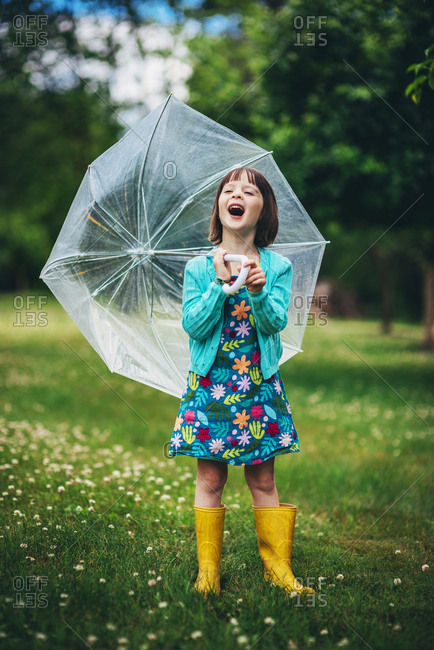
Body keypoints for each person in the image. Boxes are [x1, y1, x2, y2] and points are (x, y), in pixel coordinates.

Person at [168, 167, 315, 598]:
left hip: (256, 386)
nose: (237, 195)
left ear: (262, 209)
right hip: (211, 385)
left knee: (263, 480)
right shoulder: (199, 266)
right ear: (220, 207)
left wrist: (256, 289)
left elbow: (276, 323)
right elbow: (193, 326)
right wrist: (218, 286)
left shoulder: (277, 266)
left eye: (249, 191)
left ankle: (278, 570)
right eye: (229, 191)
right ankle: (208, 574)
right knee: (210, 480)